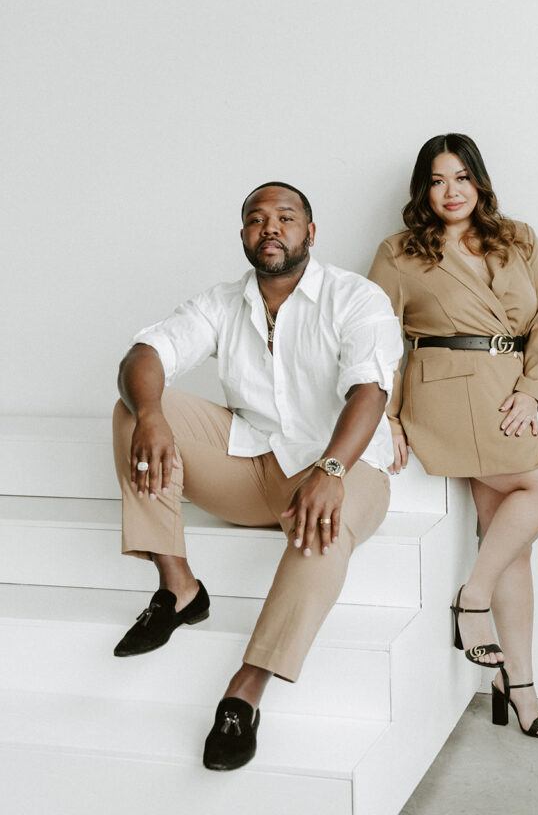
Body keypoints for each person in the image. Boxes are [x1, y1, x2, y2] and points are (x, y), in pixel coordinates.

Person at [112, 181, 402, 770]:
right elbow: (145, 354)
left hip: (344, 469)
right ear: (243, 234)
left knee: (329, 520)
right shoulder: (222, 302)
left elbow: (370, 390)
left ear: (310, 233)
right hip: (253, 467)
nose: (270, 227)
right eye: (255, 218)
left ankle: (245, 690)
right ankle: (179, 587)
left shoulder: (356, 297)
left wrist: (332, 466)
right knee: (132, 407)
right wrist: (152, 415)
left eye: (285, 217)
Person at [368, 135, 538, 740]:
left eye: (461, 177)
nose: (450, 191)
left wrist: (533, 391)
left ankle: (518, 685)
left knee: (513, 542)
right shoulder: (399, 253)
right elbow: (373, 339)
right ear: (422, 189)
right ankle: (472, 599)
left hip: (508, 394)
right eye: (436, 180)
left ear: (479, 181)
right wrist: (387, 417)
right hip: (444, 392)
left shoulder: (519, 238)